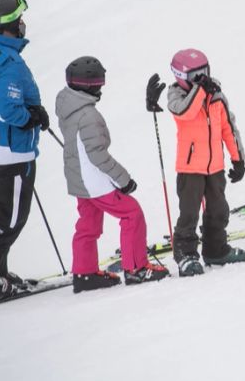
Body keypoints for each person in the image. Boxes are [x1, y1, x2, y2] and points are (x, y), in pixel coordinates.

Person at [56, 56, 169, 293]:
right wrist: (123, 180)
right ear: (88, 86)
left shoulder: (67, 106)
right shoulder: (88, 115)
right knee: (131, 213)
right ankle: (137, 268)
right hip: (94, 181)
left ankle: (85, 274)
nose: (100, 89)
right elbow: (98, 155)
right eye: (98, 84)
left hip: (78, 179)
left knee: (88, 224)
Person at [146, 50, 245, 277]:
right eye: (196, 75)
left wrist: (237, 158)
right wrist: (202, 90)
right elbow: (186, 112)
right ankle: (186, 255)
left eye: (205, 73)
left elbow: (228, 128)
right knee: (189, 214)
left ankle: (216, 249)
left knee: (218, 210)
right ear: (180, 77)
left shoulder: (216, 96)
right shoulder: (176, 97)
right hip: (190, 168)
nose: (203, 78)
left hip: (215, 167)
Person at [0, 0, 47, 301]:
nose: (23, 24)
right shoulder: (8, 61)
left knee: (1, 217)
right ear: (8, 26)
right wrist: (30, 117)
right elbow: (7, 110)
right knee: (7, 222)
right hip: (11, 152)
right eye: (19, 19)